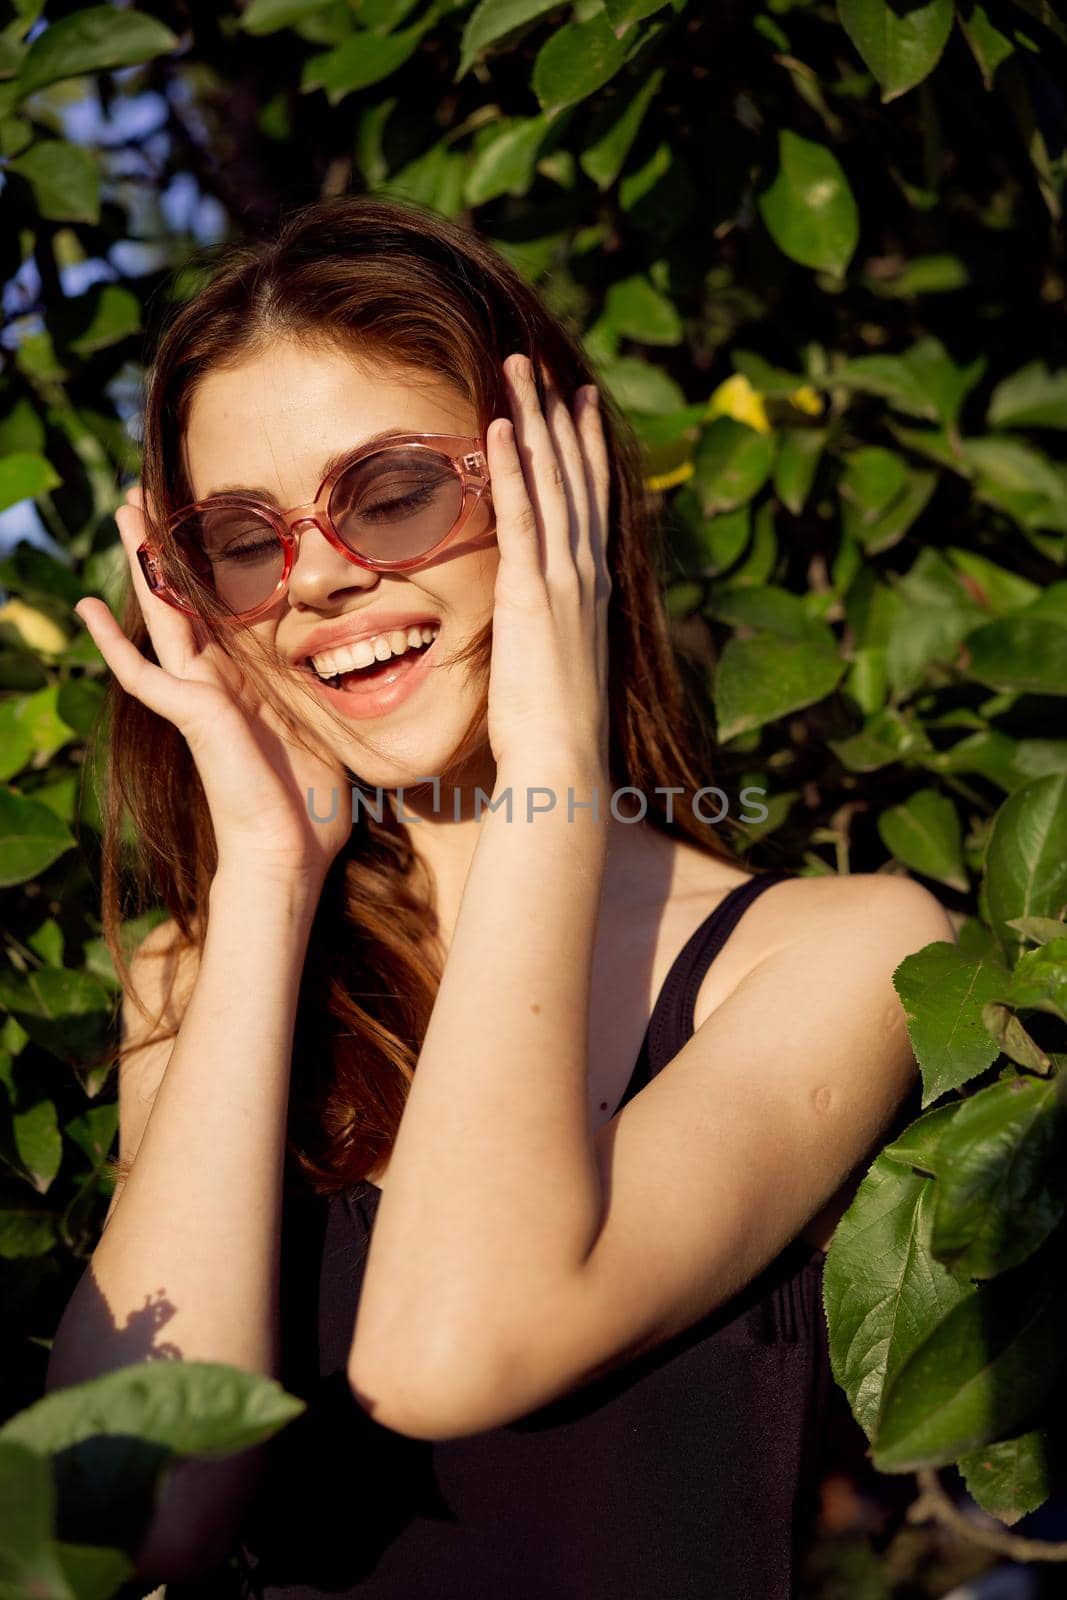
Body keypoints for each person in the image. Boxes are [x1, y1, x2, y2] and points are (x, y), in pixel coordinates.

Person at [46, 194, 953, 1599]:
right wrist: (272, 880)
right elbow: (119, 1511)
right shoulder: (204, 973)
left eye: (393, 491)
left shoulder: (847, 953)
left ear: (561, 496)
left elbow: (444, 1351)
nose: (322, 580)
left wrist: (553, 770)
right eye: (244, 536)